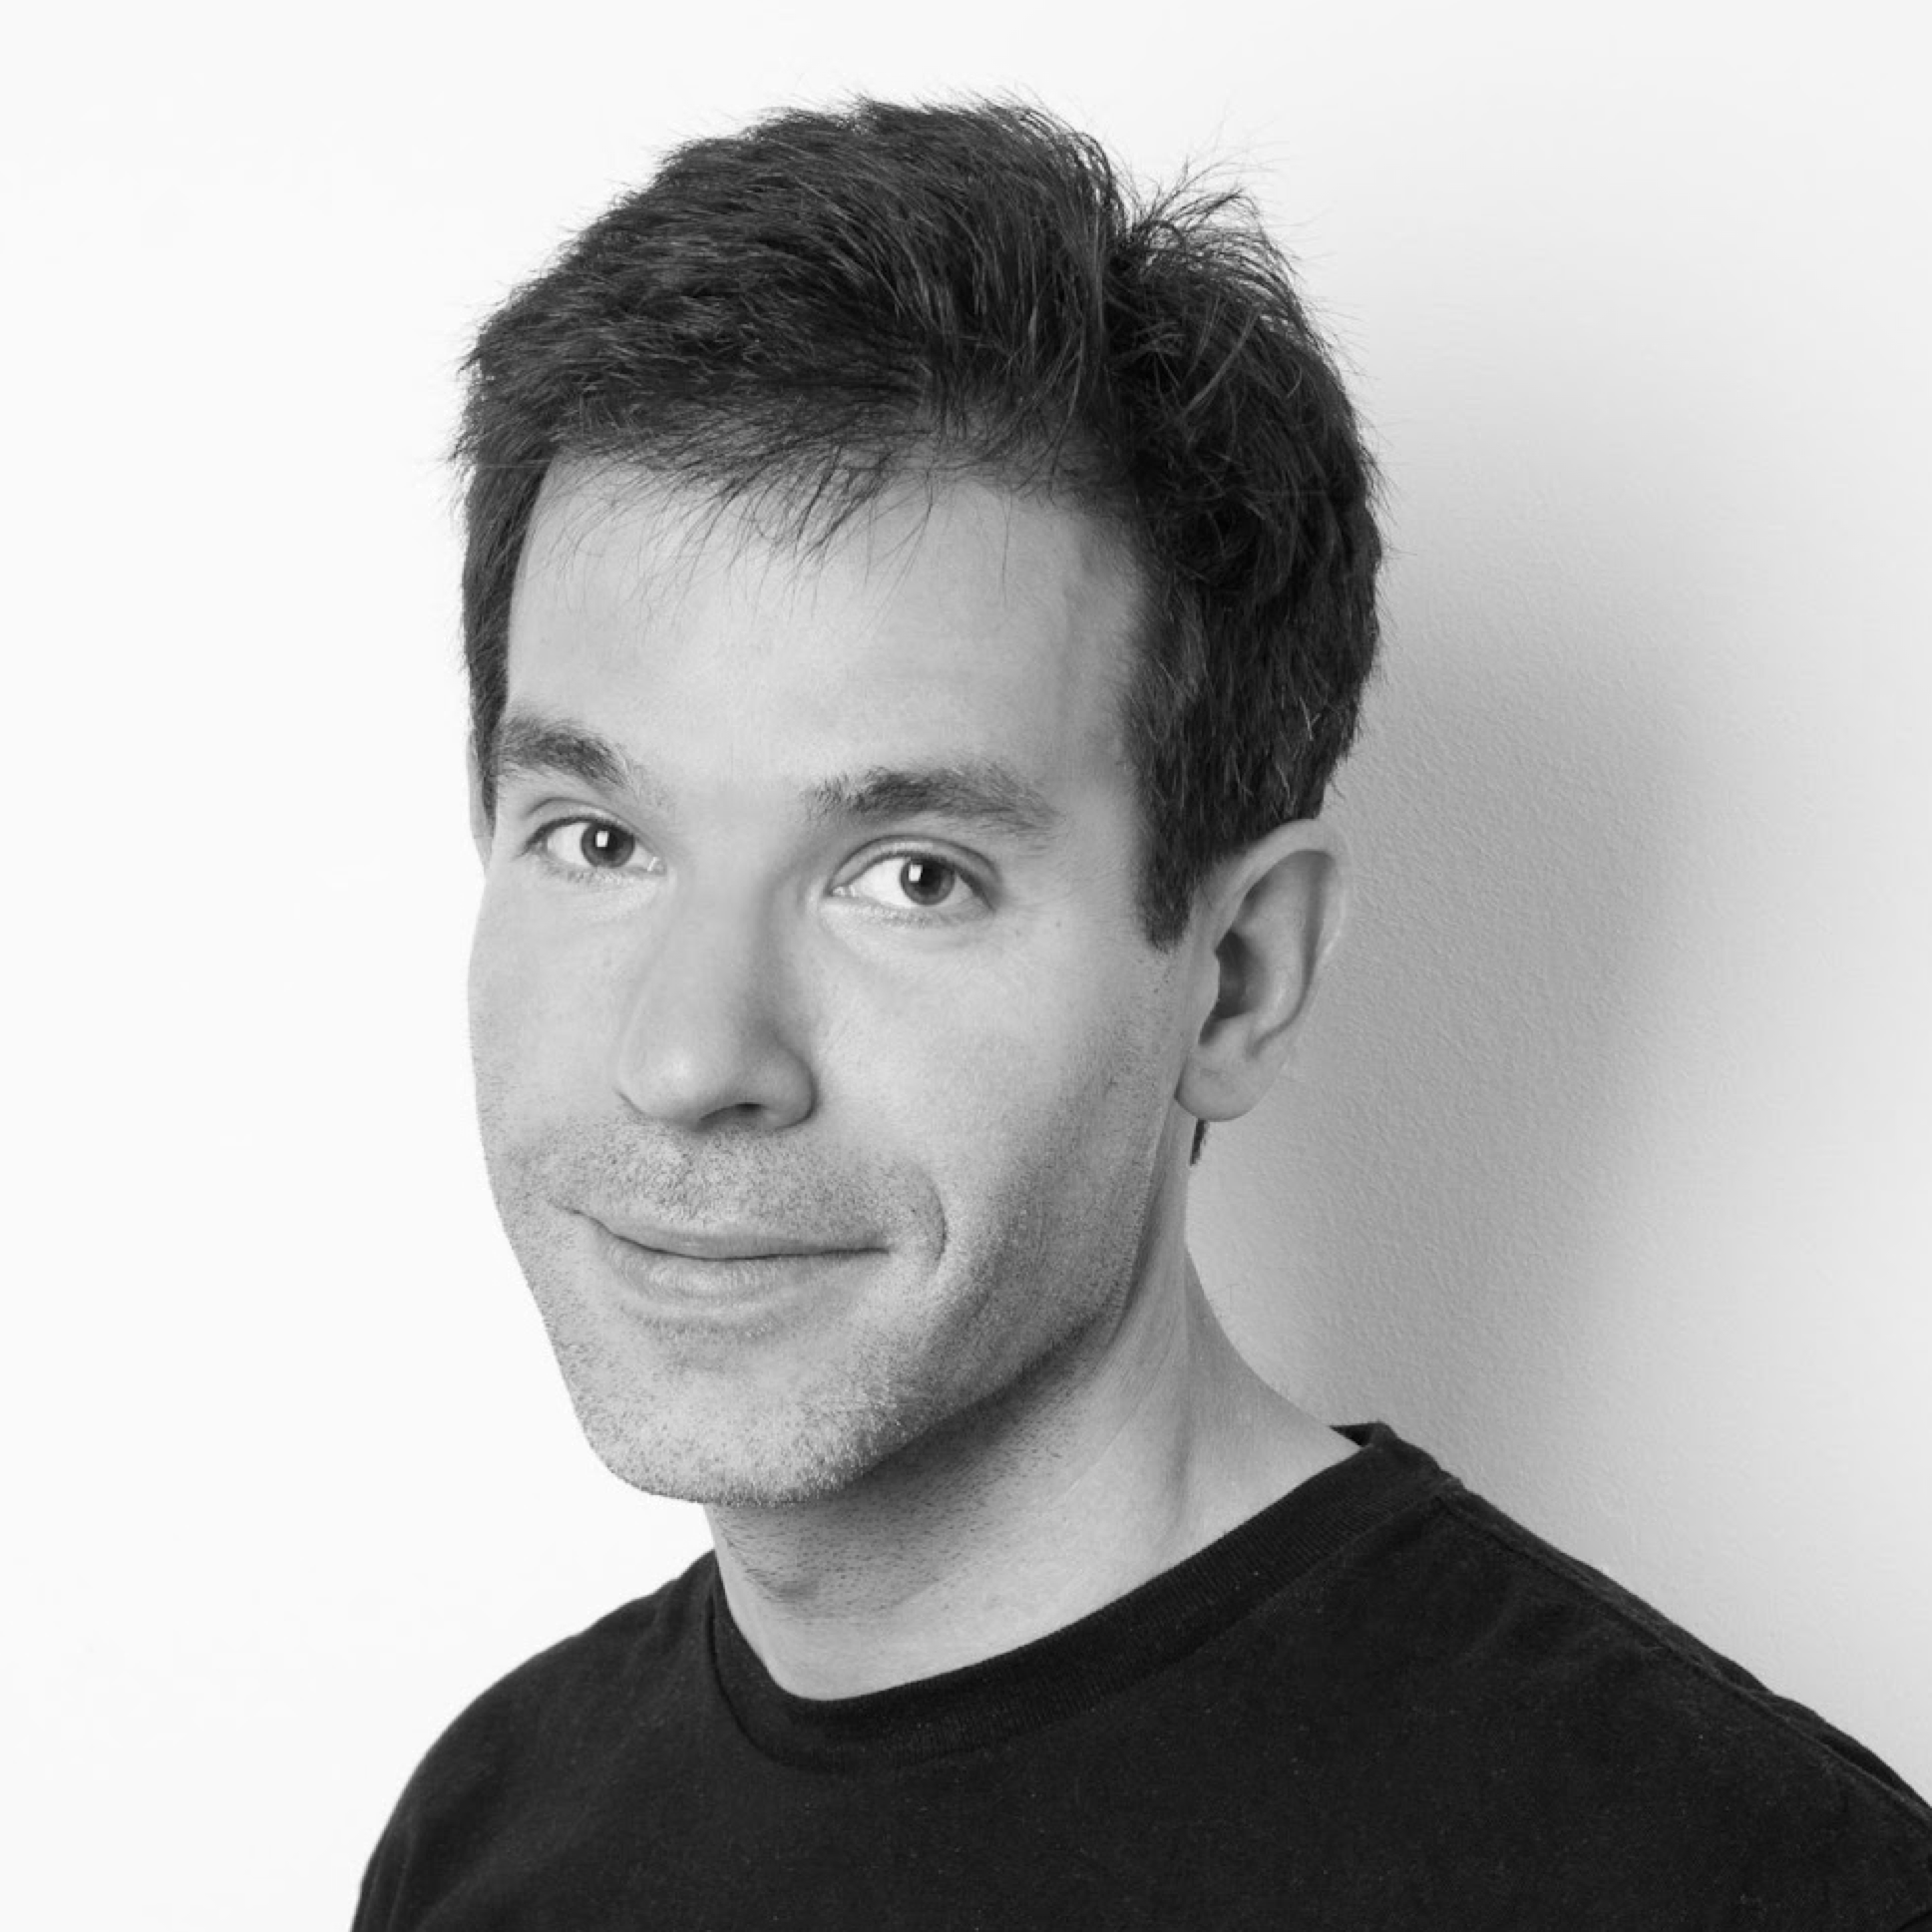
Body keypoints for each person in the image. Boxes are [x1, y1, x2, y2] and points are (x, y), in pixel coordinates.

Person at [354, 95, 1932, 1929]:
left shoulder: (1734, 1884)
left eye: (912, 874)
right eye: (599, 838)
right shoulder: (493, 1824)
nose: (690, 1056)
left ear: (1238, 976)